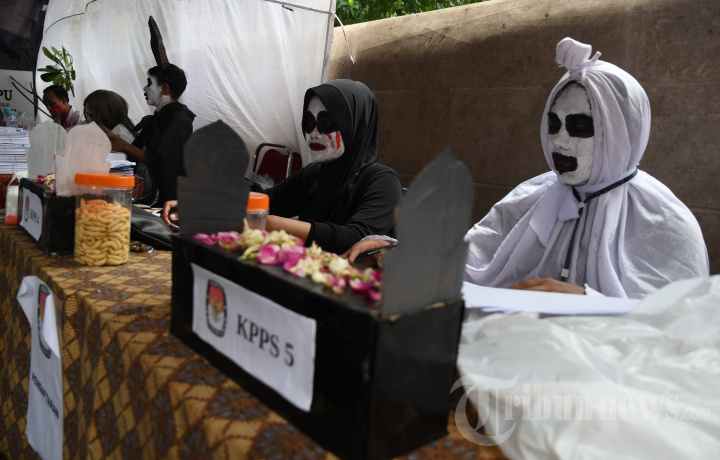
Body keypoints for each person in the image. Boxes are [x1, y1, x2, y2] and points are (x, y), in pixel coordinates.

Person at [347, 38, 709, 299]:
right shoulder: (534, 196)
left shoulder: (665, 222)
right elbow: (475, 259)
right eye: (553, 125)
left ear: (622, 132)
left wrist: (589, 303)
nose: (560, 142)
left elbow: (683, 328)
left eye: (579, 127)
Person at [103, 64, 195, 206]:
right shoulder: (161, 116)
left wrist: (125, 147)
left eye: (149, 83)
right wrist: (112, 137)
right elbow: (143, 152)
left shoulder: (178, 119)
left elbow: (159, 160)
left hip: (170, 196)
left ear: (164, 88)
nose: (145, 88)